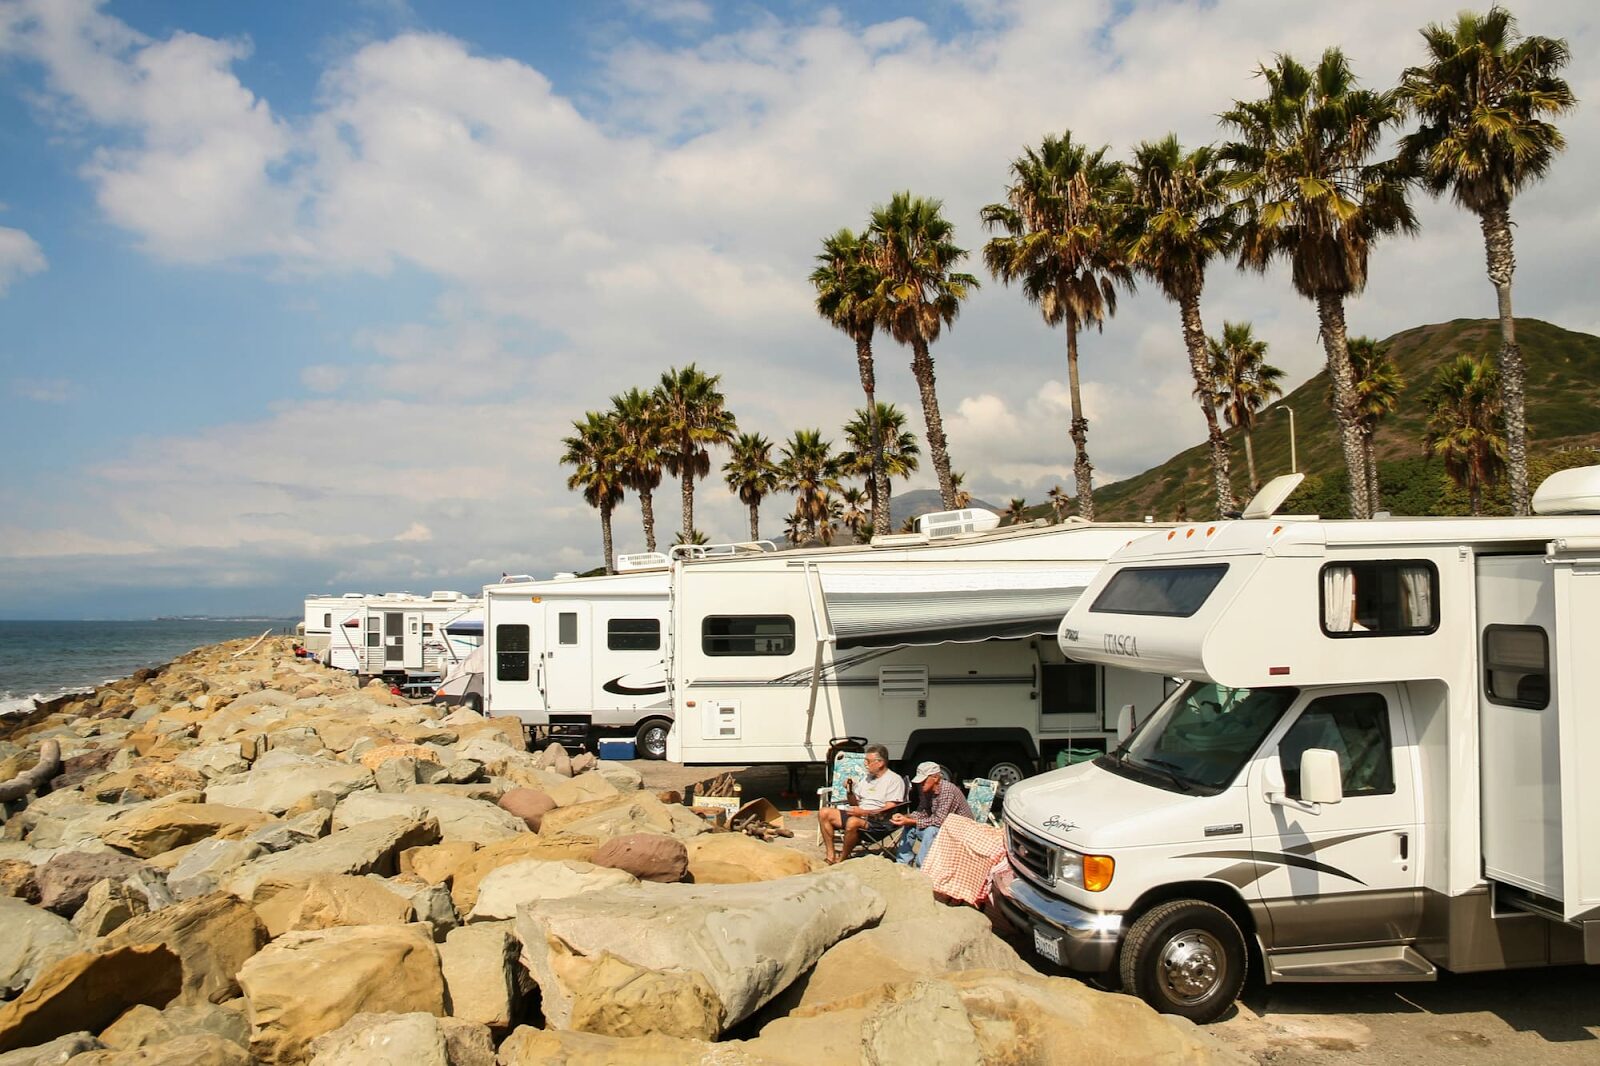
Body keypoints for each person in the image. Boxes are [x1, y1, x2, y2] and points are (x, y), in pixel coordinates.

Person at [817, 744, 907, 864]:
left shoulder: (894, 780)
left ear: (880, 763)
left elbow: (890, 807)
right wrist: (849, 791)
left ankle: (842, 859)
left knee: (853, 822)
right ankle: (830, 856)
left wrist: (863, 812)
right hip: (860, 815)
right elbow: (854, 803)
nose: (865, 764)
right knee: (824, 812)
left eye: (868, 761)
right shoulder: (867, 778)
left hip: (879, 822)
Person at [890, 761, 971, 867]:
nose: (920, 784)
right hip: (942, 826)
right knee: (909, 826)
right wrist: (906, 817)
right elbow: (923, 811)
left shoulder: (947, 791)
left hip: (959, 830)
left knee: (930, 831)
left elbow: (939, 821)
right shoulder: (926, 789)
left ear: (936, 778)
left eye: (924, 781)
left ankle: (923, 866)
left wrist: (911, 820)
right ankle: (902, 862)